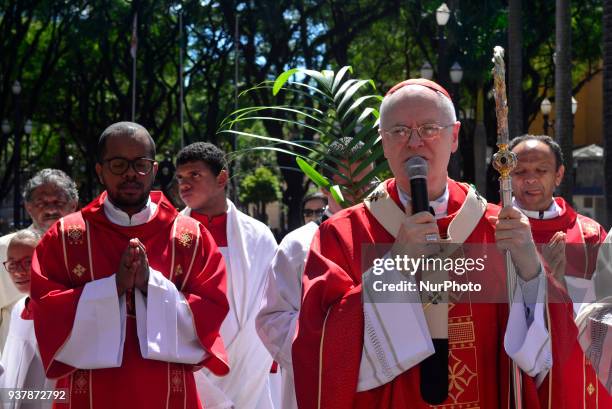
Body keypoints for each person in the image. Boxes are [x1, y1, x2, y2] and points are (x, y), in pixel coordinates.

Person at [291, 79, 575, 408]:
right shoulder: (343, 234)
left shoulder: (498, 229)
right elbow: (320, 343)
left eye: (428, 128)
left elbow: (547, 353)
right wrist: (394, 266)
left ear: (453, 137)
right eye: (399, 131)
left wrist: (529, 271)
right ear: (382, 142)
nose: (414, 142)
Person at [30, 122, 229, 409]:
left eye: (141, 164)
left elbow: (213, 308)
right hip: (90, 393)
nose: (131, 174)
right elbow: (45, 310)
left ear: (155, 169)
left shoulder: (190, 237)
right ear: (100, 171)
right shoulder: (64, 237)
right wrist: (114, 287)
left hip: (168, 392)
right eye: (118, 164)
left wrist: (151, 285)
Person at [256, 137, 375, 409]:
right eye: (347, 184)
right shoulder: (299, 244)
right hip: (317, 383)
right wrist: (334, 344)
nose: (358, 193)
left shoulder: (388, 236)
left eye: (366, 184)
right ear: (325, 186)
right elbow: (272, 320)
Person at [510, 134, 612, 407]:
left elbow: (605, 310)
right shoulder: (496, 231)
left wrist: (561, 288)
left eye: (541, 171)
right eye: (520, 171)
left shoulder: (588, 234)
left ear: (558, 175)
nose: (530, 179)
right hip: (517, 367)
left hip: (576, 367)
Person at [175, 142, 278, 409]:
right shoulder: (168, 236)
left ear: (221, 178)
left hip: (249, 372)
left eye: (194, 175)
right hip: (189, 368)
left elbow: (270, 309)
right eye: (180, 178)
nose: (184, 184)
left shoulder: (259, 237)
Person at [0, 169, 78, 351]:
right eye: (41, 203)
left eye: (58, 202)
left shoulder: (89, 248)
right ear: (28, 207)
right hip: (17, 364)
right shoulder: (4, 248)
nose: (51, 209)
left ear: (73, 205)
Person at [0, 229, 56, 409]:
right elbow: (10, 366)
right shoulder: (18, 309)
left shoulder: (61, 306)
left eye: (27, 262)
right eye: (12, 264)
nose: (18, 272)